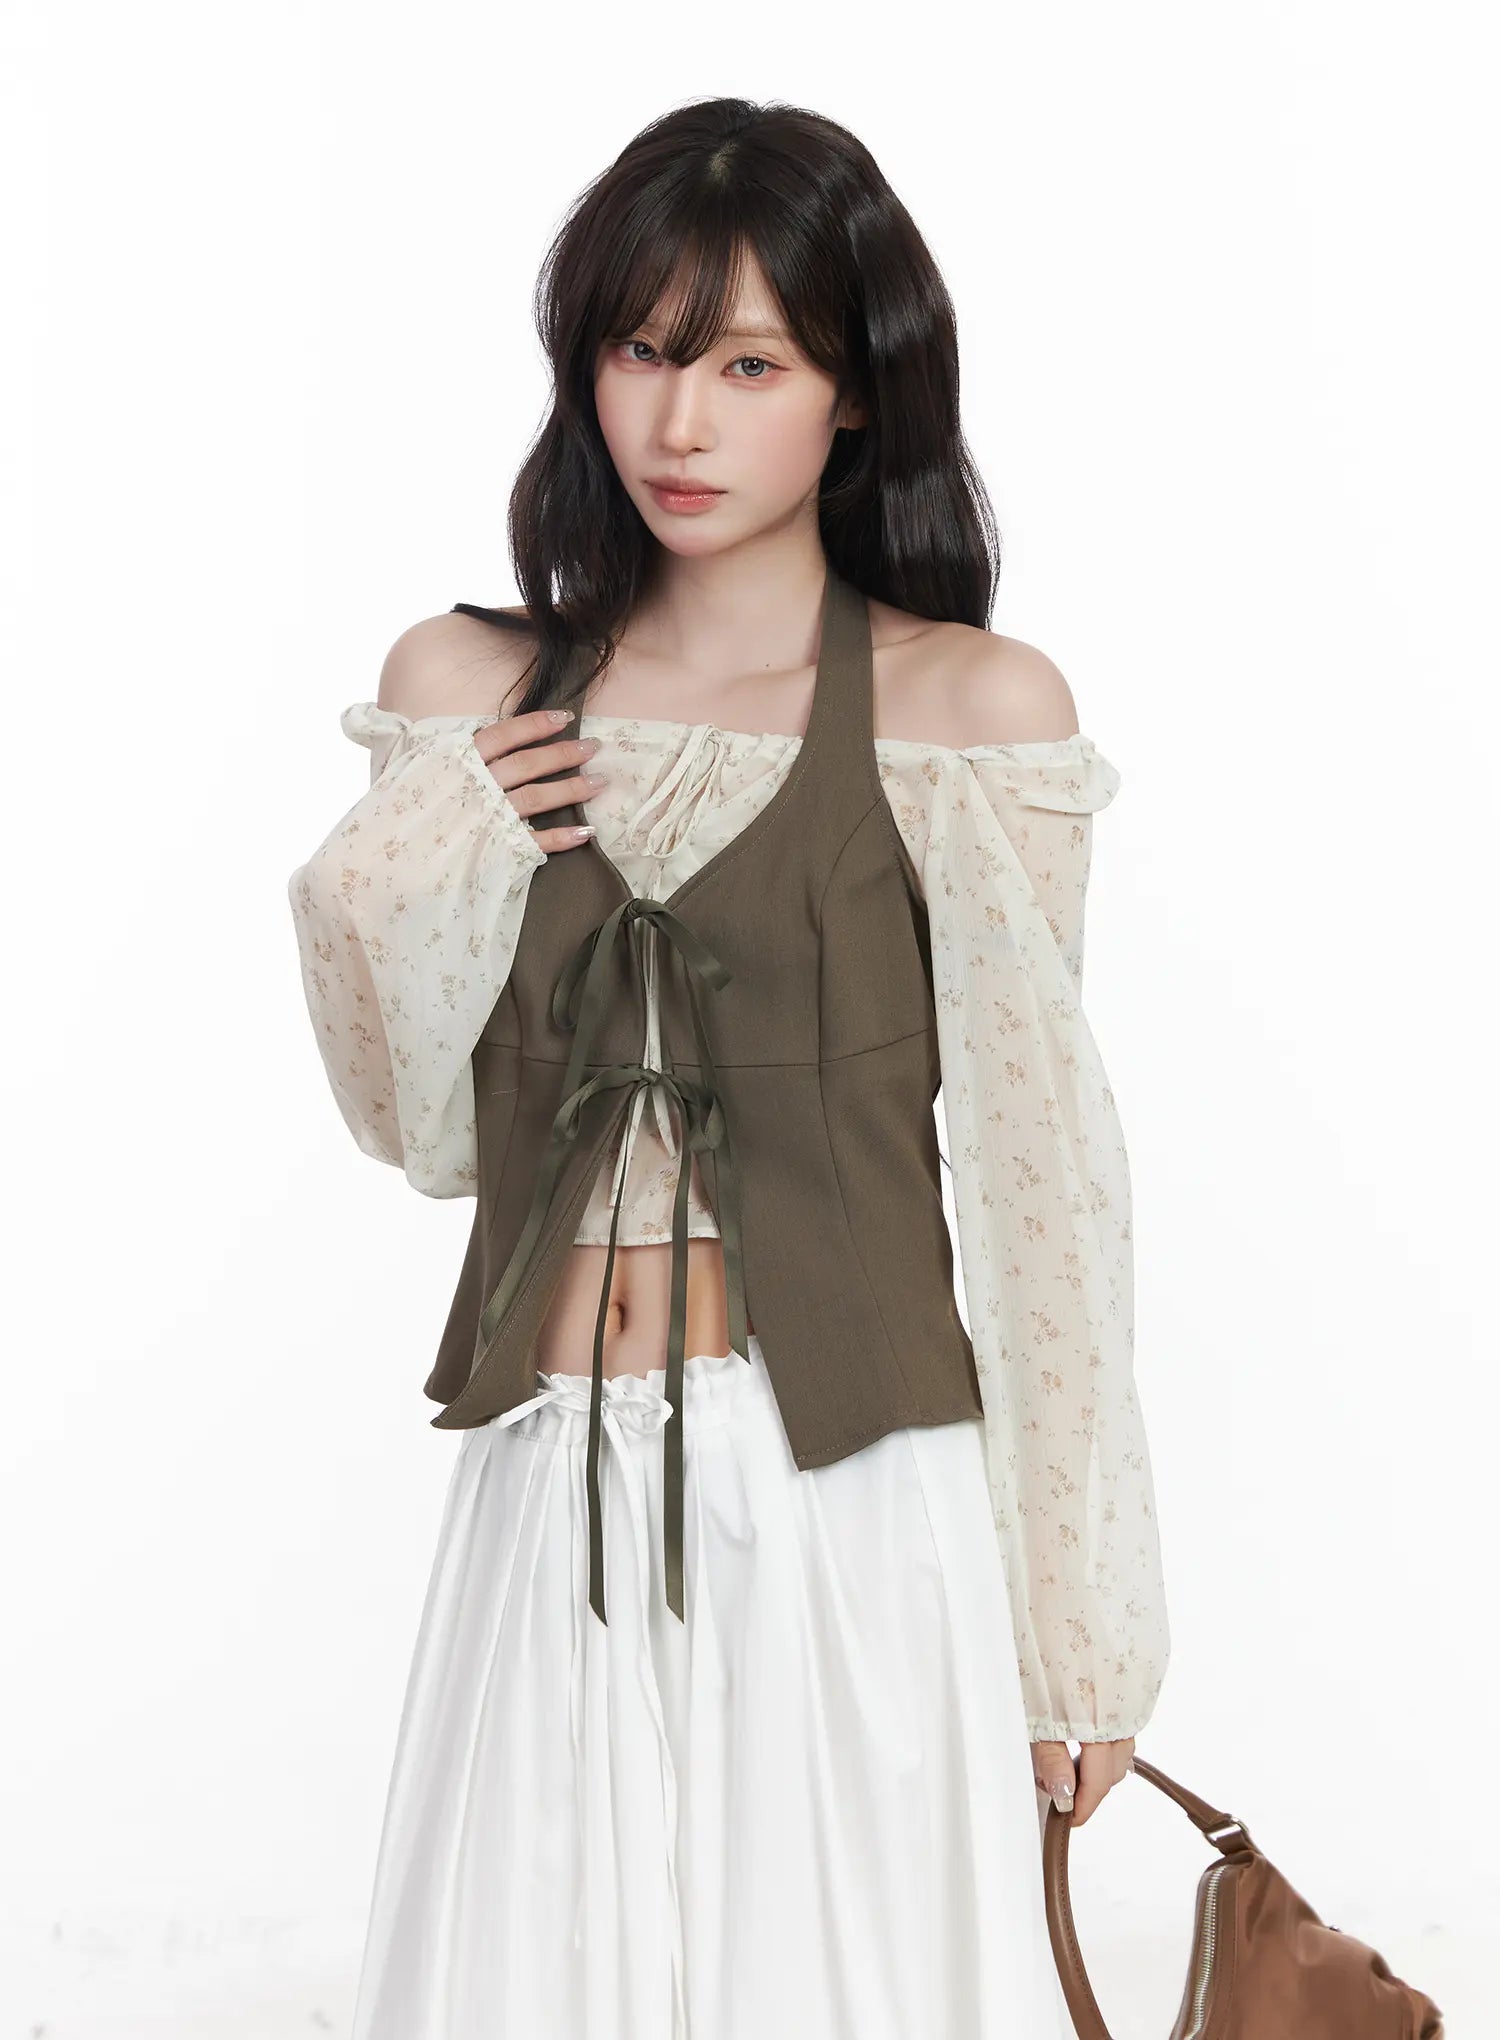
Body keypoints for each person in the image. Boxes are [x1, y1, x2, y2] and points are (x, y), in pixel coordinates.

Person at [287, 94, 1169, 2040]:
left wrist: (1080, 1629)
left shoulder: (966, 714)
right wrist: (412, 863)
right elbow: (421, 1131)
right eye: (643, 351)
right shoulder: (466, 690)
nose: (680, 424)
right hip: (545, 1482)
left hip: (852, 1496)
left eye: (751, 366)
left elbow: (1045, 1193)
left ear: (856, 394)